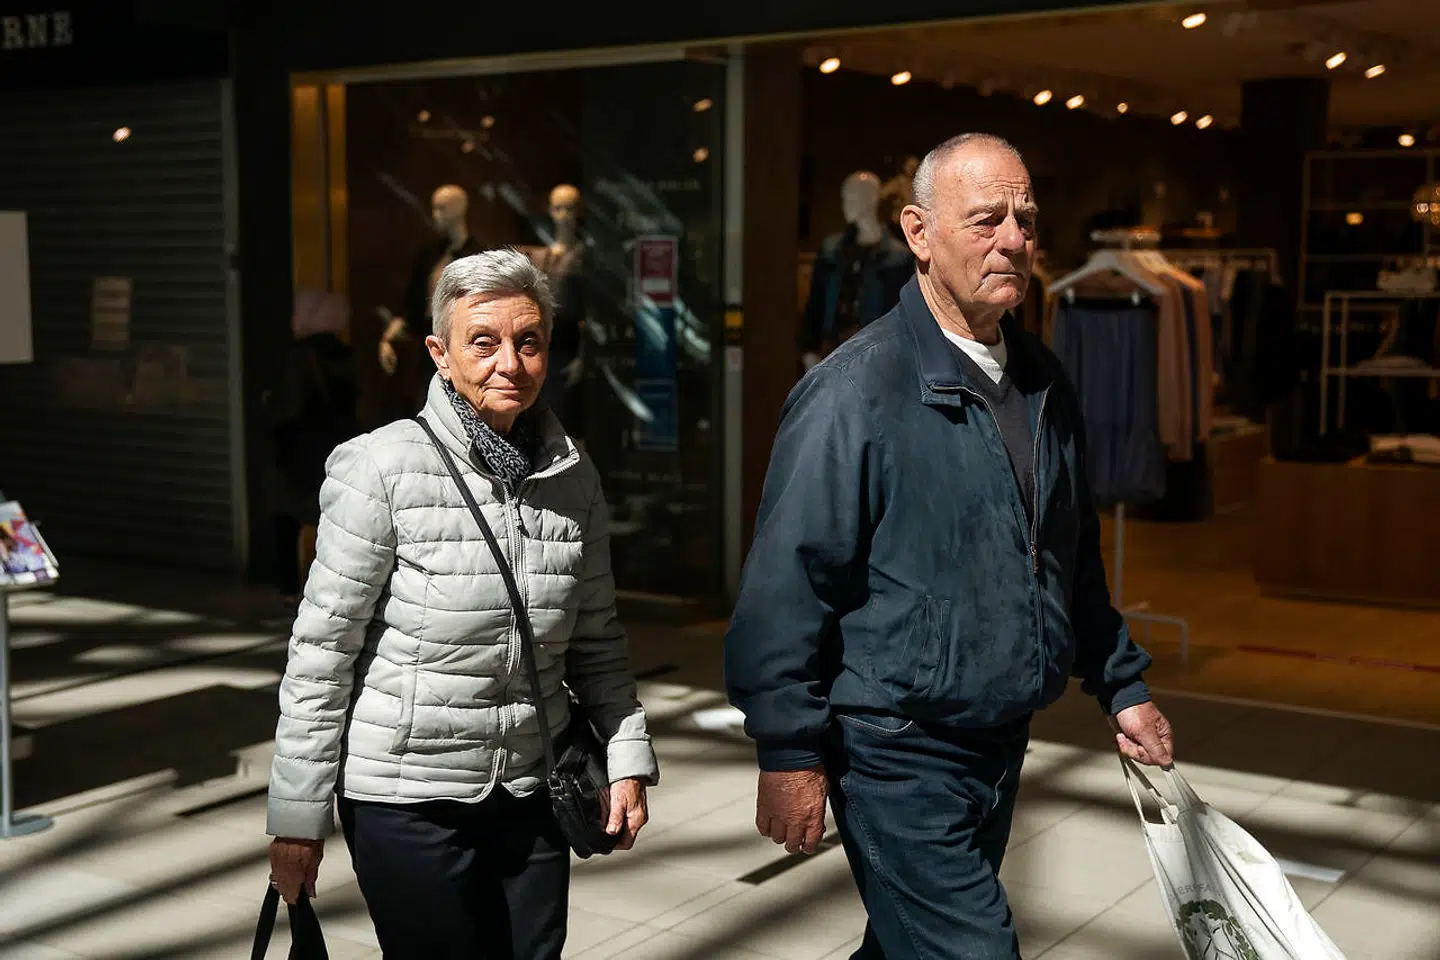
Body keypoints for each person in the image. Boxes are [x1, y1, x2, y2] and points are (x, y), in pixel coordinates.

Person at [723, 134, 1175, 959]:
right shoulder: (854, 391)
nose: (1013, 240)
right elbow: (787, 587)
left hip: (999, 735)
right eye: (986, 219)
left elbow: (1068, 558)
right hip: (893, 747)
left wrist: (1120, 683)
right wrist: (788, 750)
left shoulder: (1042, 380)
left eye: (1025, 219)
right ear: (919, 232)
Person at [267, 249, 659, 959]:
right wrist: (298, 818)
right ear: (439, 354)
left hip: (533, 788)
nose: (510, 362)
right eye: (483, 342)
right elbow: (323, 652)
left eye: (528, 341)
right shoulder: (380, 467)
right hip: (407, 800)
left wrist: (627, 753)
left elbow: (597, 638)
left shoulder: (572, 475)